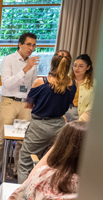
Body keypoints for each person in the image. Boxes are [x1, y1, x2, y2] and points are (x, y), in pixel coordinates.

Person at [17, 51, 76, 184]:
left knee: (26, 162)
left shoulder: (41, 82)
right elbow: (67, 105)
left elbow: (28, 105)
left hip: (40, 126)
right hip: (60, 127)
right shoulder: (73, 84)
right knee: (52, 163)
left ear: (51, 63)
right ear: (68, 66)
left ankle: (24, 193)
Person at [0, 32, 39, 182]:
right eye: (28, 44)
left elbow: (32, 85)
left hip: (26, 104)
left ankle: (18, 170)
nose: (31, 48)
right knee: (2, 138)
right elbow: (7, 83)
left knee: (23, 140)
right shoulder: (8, 60)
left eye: (34, 45)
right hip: (9, 102)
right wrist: (25, 69)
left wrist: (32, 103)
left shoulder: (33, 64)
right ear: (20, 44)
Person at [68, 54, 94, 122]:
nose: (77, 68)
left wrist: (80, 120)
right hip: (63, 115)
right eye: (75, 65)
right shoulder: (66, 80)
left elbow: (92, 105)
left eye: (81, 66)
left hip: (81, 117)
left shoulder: (93, 84)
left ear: (88, 67)